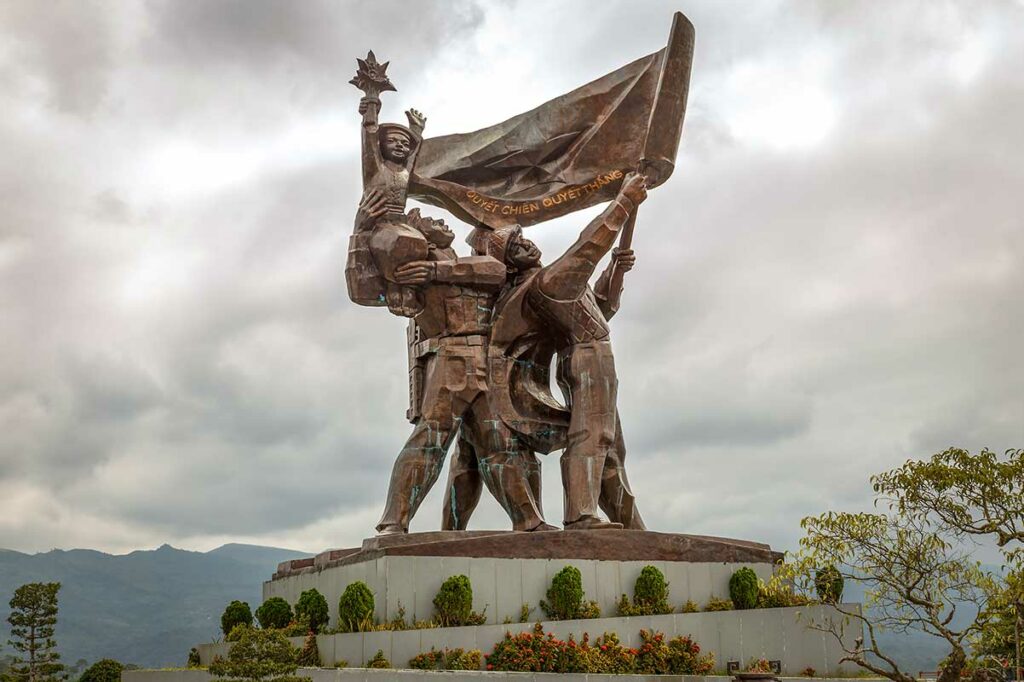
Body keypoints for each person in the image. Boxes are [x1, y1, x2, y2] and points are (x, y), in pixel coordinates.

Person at [452, 172, 649, 530]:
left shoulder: (551, 283)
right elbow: (587, 248)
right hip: (586, 359)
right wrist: (624, 202)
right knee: (592, 438)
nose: (527, 245)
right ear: (509, 262)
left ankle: (631, 525)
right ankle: (582, 515)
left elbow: (599, 310)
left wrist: (615, 273)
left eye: (522, 239)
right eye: (515, 246)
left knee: (610, 451)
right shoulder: (546, 283)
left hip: (595, 359)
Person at [353, 191, 554, 535]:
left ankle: (528, 520)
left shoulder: (451, 264)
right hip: (451, 359)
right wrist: (361, 231)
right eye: (429, 220)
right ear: (417, 234)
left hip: (485, 362)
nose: (441, 221)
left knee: (499, 444)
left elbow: (494, 270)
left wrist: (435, 269)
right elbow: (362, 290)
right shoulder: (409, 268)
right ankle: (393, 523)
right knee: (430, 439)